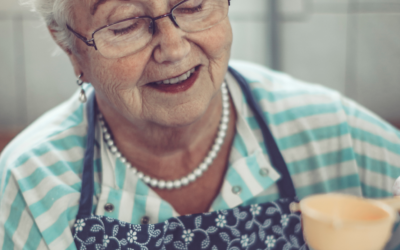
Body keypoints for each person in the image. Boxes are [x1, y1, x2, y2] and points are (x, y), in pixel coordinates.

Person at [0, 0, 399, 249]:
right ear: (67, 44)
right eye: (124, 23)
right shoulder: (29, 186)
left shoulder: (329, 129)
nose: (173, 49)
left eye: (192, 5)